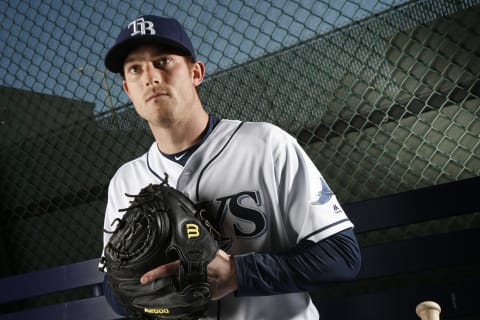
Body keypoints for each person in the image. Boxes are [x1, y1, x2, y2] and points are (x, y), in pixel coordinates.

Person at [100, 14, 361, 320]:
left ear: (196, 73)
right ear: (128, 90)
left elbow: (342, 256)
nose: (150, 77)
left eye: (163, 62)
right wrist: (147, 296)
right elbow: (111, 286)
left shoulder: (266, 144)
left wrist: (238, 274)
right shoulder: (125, 181)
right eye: (135, 69)